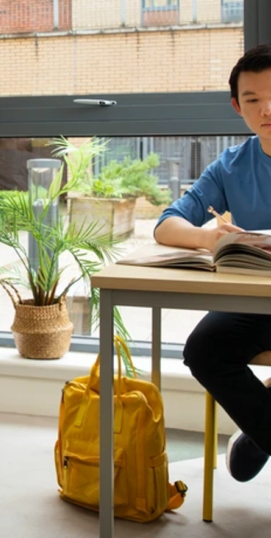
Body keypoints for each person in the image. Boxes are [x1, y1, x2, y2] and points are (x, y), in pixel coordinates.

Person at [155, 43, 271, 485]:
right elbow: (167, 225)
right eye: (253, 100)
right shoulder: (231, 165)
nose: (266, 110)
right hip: (253, 303)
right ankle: (266, 433)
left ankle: (259, 436)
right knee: (203, 349)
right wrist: (207, 236)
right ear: (237, 106)